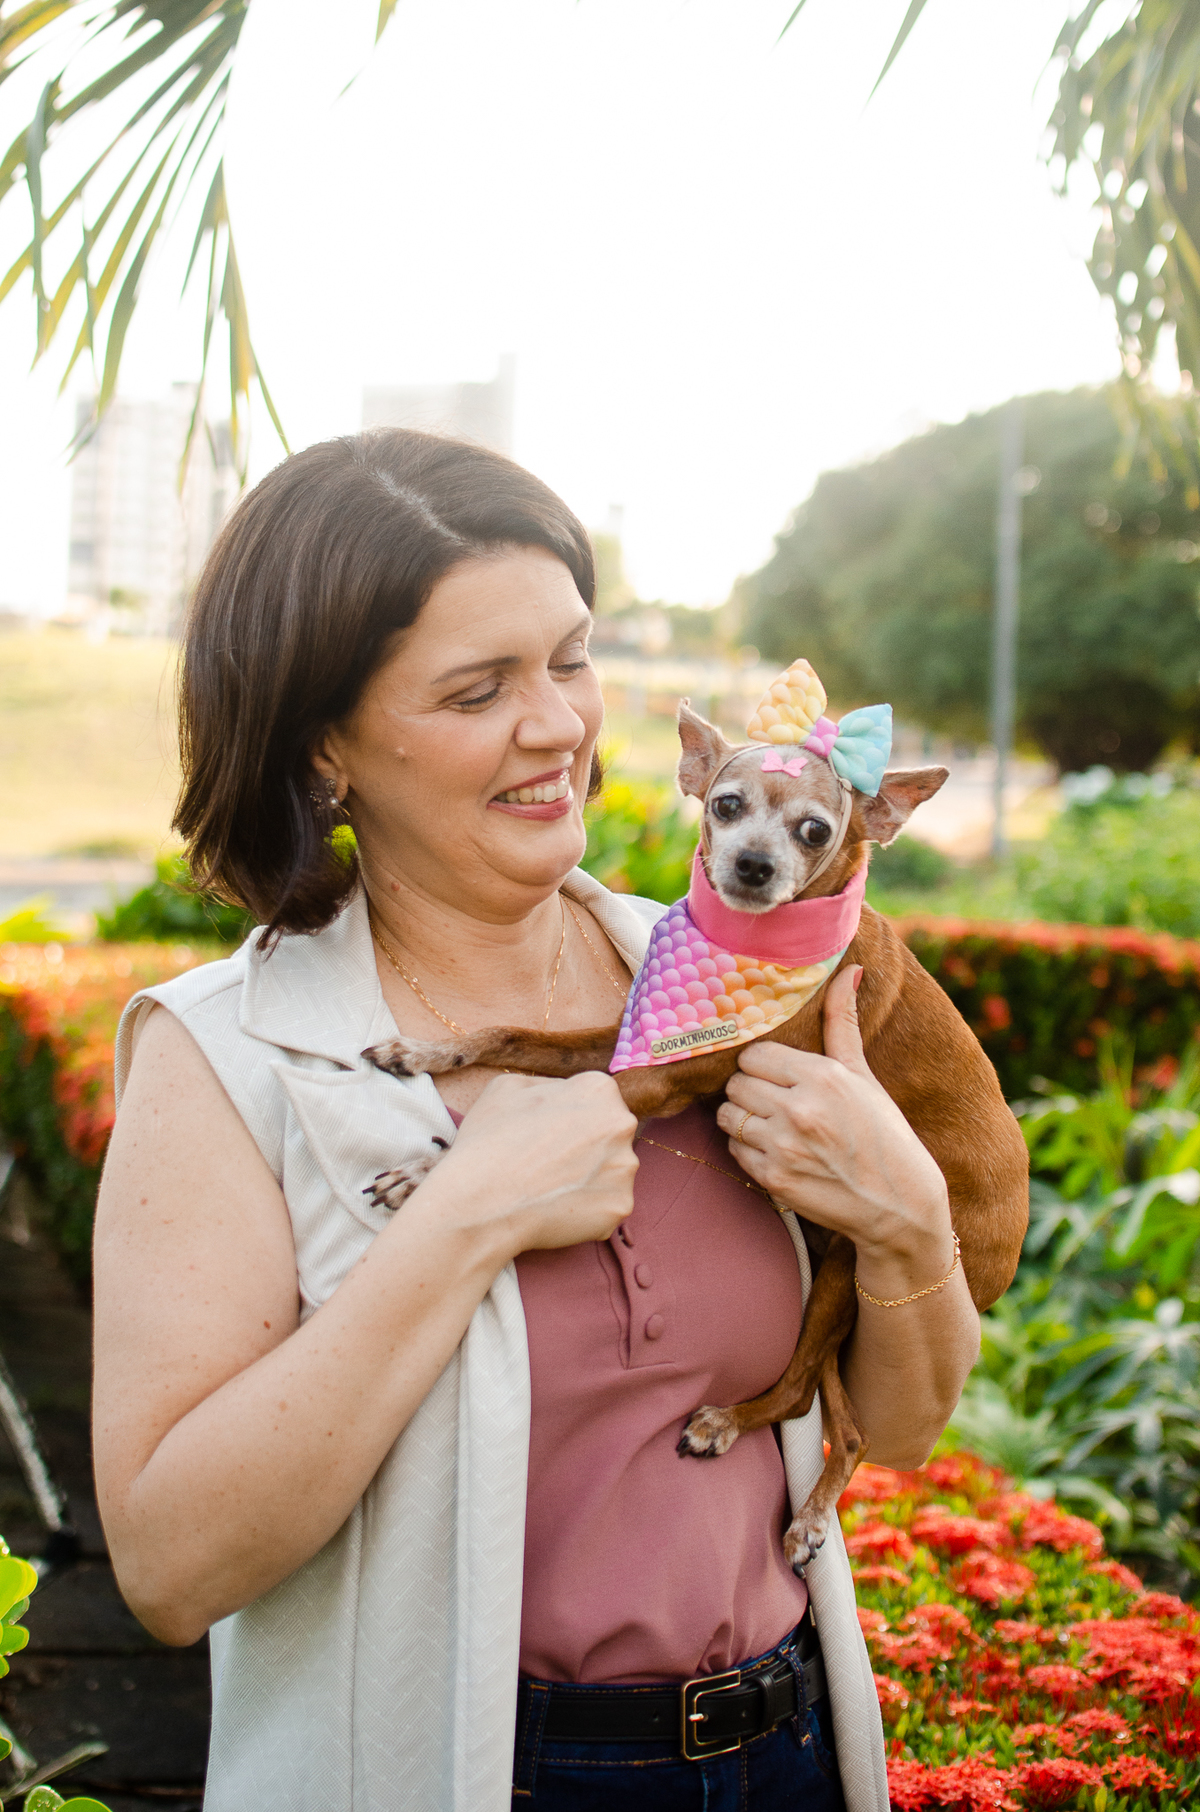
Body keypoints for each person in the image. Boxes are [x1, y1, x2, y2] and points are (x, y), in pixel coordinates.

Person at [93, 431, 981, 1812]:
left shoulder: (731, 983)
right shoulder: (227, 1056)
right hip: (470, 1771)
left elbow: (905, 1428)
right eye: (477, 688)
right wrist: (461, 1222)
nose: (561, 723)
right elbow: (169, 1569)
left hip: (788, 1753)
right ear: (325, 747)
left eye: (570, 659)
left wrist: (910, 1219)